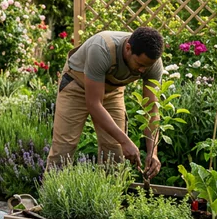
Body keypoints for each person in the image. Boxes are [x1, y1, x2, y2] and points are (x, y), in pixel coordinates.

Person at [47, 27, 164, 178]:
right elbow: (94, 104)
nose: (142, 70)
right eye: (139, 64)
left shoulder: (152, 63)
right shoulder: (101, 48)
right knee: (64, 147)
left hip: (112, 90)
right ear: (128, 48)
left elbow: (151, 109)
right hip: (76, 86)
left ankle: (109, 198)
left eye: (146, 67)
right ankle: (50, 197)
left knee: (115, 151)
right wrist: (125, 141)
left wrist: (152, 152)